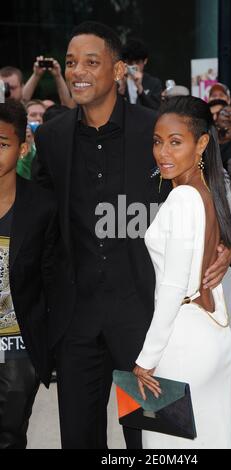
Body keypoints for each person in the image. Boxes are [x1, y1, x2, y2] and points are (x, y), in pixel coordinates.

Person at [33, 21, 231, 450]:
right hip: (77, 325)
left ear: (119, 69)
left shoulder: (156, 130)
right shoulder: (51, 139)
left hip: (147, 324)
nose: (78, 71)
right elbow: (41, 221)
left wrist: (227, 242)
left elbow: (203, 183)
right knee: (79, 440)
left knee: (152, 445)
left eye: (92, 61)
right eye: (71, 62)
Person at [133, 96, 231, 449]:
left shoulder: (181, 199)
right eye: (158, 141)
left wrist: (146, 360)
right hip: (214, 337)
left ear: (202, 143)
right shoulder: (207, 192)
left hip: (182, 345)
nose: (163, 152)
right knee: (212, 440)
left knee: (169, 450)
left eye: (176, 142)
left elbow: (174, 287)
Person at [0, 99, 56, 448]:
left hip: (18, 347)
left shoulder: (42, 206)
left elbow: (53, 280)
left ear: (22, 148)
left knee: (10, 436)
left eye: (2, 144)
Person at [118, 38, 162, 110]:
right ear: (124, 62)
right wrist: (122, 87)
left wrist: (140, 89)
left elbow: (155, 109)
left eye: (137, 62)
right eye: (130, 62)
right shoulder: (117, 81)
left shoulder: (154, 83)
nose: (134, 66)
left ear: (145, 61)